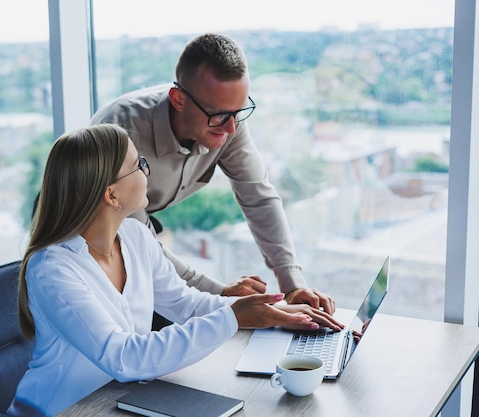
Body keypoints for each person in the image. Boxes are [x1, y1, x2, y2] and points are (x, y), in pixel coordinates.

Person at [8, 124, 342, 417]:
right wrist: (233, 318)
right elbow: (125, 358)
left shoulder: (135, 236)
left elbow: (185, 304)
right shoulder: (53, 270)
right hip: (63, 410)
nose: (146, 170)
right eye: (138, 165)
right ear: (111, 194)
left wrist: (272, 312)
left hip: (120, 401)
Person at [90, 33, 337, 314]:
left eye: (239, 111)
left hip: (139, 228)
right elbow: (137, 241)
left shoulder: (228, 122)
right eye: (218, 115)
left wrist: (292, 283)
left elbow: (259, 197)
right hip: (91, 236)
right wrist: (220, 294)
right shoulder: (122, 129)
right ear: (178, 99)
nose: (231, 128)